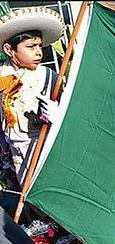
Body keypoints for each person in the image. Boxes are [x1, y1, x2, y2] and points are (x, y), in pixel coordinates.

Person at [0, 6, 65, 191]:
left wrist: (57, 115)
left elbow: (69, 112)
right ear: (9, 49)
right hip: (14, 152)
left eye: (39, 46)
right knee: (26, 197)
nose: (38, 52)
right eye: (30, 47)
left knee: (49, 191)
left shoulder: (49, 76)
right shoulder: (1, 77)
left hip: (45, 145)